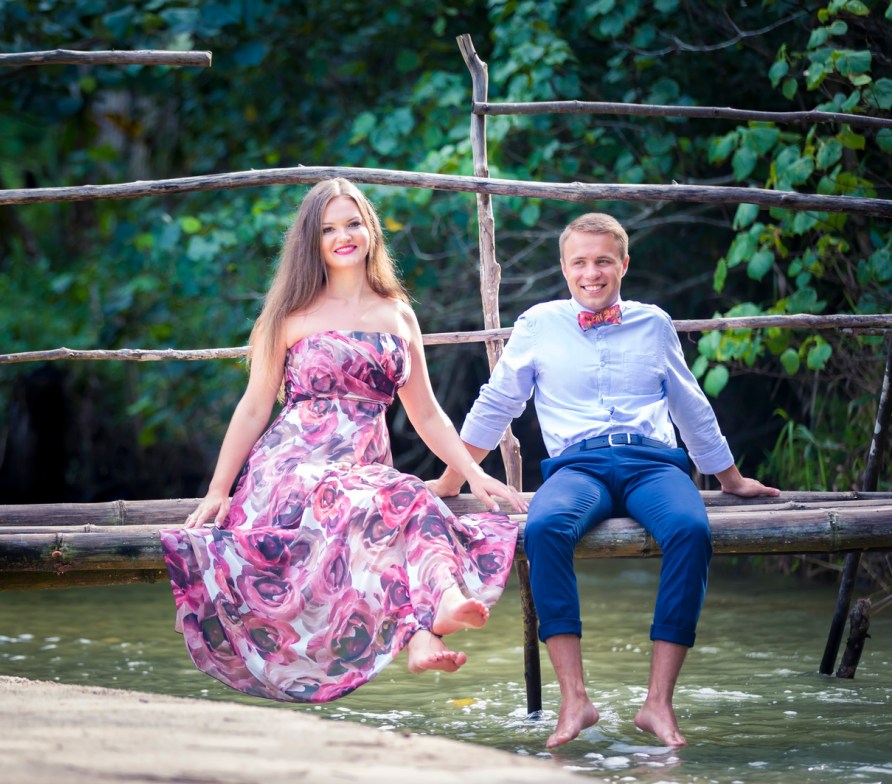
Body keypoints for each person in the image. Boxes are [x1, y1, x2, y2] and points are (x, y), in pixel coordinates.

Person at [160, 178, 524, 704]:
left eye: (353, 223)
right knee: (378, 497)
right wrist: (220, 489)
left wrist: (473, 472)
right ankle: (429, 618)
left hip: (360, 465)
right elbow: (255, 405)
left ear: (370, 230)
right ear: (313, 241)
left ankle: (429, 621)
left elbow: (424, 412)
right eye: (329, 229)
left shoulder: (397, 312)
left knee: (406, 496)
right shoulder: (290, 315)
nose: (344, 236)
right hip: (293, 465)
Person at [428, 212, 780, 748]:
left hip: (654, 463)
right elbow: (498, 403)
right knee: (543, 530)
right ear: (564, 267)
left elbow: (690, 405)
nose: (591, 273)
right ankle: (575, 701)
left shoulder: (654, 323)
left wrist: (729, 478)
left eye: (603, 262)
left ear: (623, 264)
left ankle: (658, 704)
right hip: (578, 467)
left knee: (691, 531)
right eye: (580, 263)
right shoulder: (539, 325)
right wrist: (455, 479)